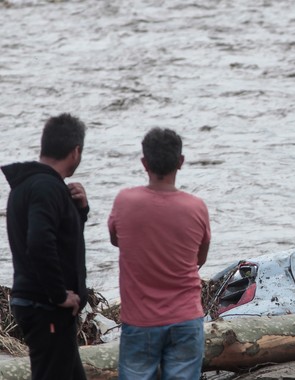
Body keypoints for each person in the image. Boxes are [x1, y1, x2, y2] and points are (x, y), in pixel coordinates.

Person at [108, 128, 211, 379]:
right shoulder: (196, 207)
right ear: (181, 162)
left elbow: (116, 240)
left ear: (144, 163)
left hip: (140, 321)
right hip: (186, 318)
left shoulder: (124, 201)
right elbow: (200, 259)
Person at [2, 113, 89, 379]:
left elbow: (62, 241)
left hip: (41, 304)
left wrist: (81, 211)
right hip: (45, 307)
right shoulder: (45, 188)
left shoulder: (33, 185)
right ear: (75, 151)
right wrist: (59, 295)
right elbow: (39, 244)